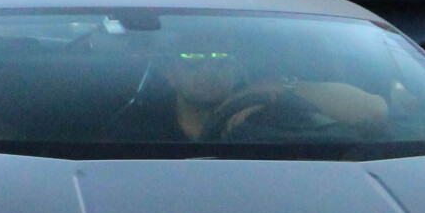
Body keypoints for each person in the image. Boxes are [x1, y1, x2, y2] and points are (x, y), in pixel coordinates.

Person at [109, 29, 387, 142]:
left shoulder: (271, 113)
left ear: (239, 68)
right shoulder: (137, 127)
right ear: (170, 72)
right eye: (193, 59)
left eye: (222, 59)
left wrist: (279, 87)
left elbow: (373, 111)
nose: (209, 69)